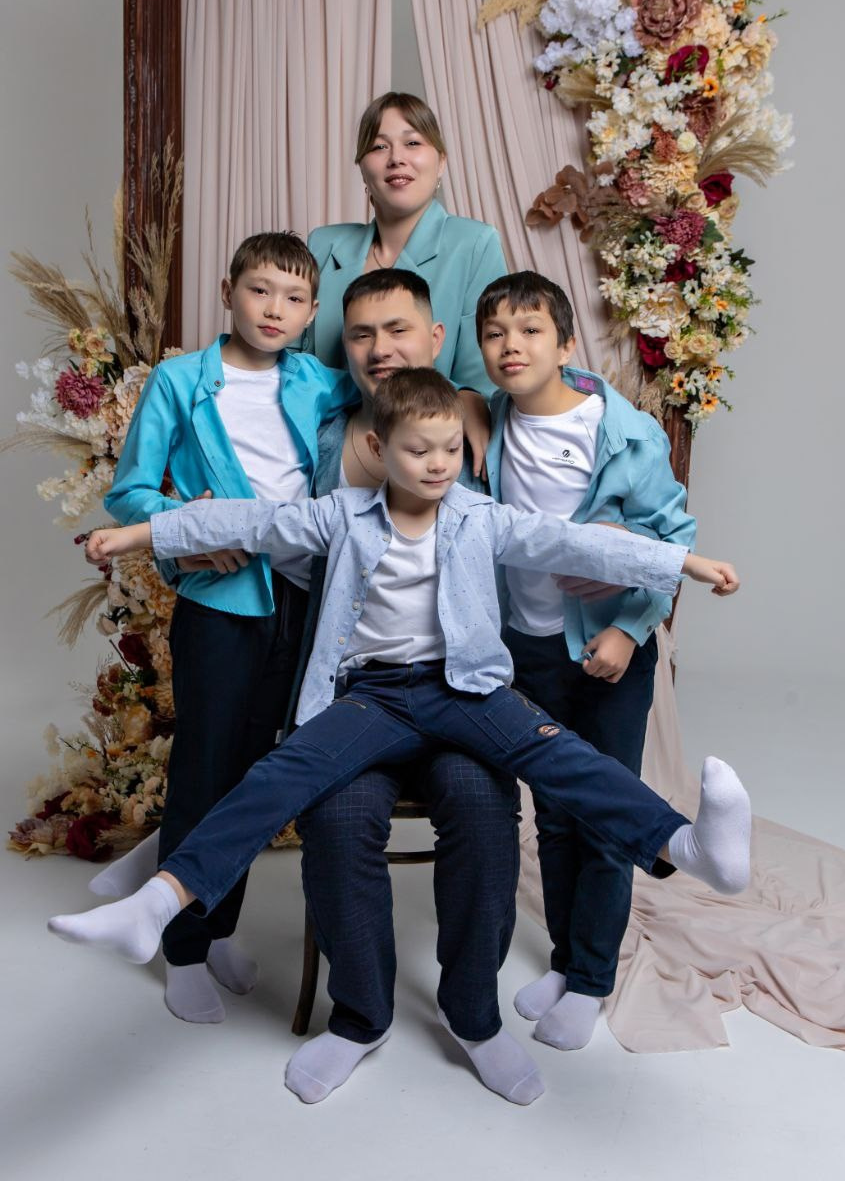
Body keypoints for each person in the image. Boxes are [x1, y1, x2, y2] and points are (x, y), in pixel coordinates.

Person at [49, 370, 751, 1101]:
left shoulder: (481, 517)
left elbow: (577, 545)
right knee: (277, 776)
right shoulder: (340, 516)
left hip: (464, 689)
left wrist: (684, 564)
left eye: (449, 448)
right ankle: (163, 903)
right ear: (378, 449)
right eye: (419, 451)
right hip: (373, 697)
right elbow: (242, 521)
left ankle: (683, 847)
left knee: (561, 755)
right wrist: (133, 535)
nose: (439, 464)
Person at [100, 231, 357, 1024]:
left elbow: (395, 397)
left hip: (298, 600)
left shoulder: (318, 382)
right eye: (259, 290)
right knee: (205, 768)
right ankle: (180, 949)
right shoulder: (181, 381)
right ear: (227, 292)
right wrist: (187, 528)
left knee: (256, 777)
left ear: (311, 313)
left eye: (293, 298)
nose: (274, 309)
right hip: (220, 602)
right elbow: (130, 492)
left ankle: (217, 929)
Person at [289, 269, 523, 1104]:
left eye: (397, 330)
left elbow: (559, 402)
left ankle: (475, 1014)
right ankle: (359, 1016)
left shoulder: (484, 420)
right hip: (362, 692)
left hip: (459, 693)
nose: (379, 348)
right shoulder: (322, 431)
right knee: (338, 817)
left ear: (434, 338)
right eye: (361, 334)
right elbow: (274, 529)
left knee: (484, 809)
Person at [479, 271, 697, 1052]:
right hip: (527, 648)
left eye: (530, 330)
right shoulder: (489, 422)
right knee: (555, 815)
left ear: (566, 343)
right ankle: (567, 959)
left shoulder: (621, 432)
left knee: (604, 816)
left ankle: (593, 978)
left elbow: (673, 542)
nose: (511, 346)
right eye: (494, 334)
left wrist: (629, 630)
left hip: (608, 649)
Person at [306, 91, 506, 455]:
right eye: (379, 147)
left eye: (413, 143)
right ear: (362, 167)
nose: (396, 158)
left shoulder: (474, 244)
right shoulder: (323, 245)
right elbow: (288, 366)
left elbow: (483, 375)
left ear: (441, 161)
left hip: (430, 450)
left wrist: (470, 399)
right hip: (326, 448)